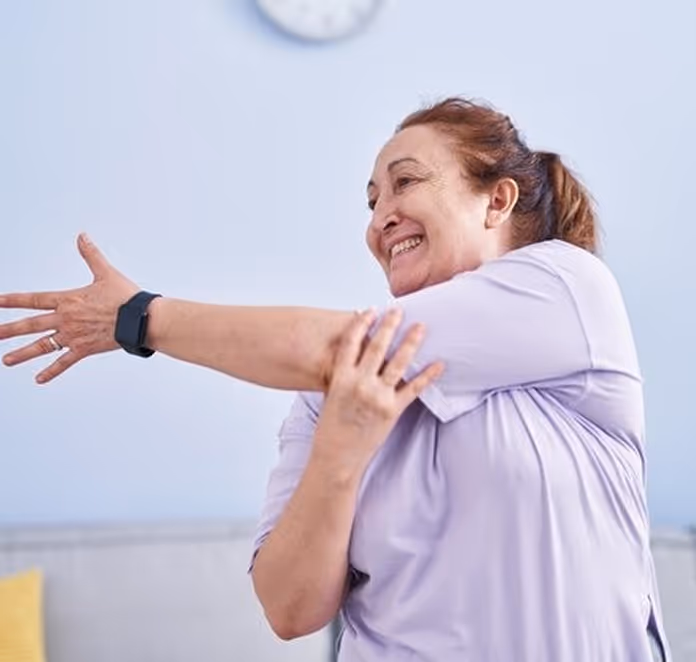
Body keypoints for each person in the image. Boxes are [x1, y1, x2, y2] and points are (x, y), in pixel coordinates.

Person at [0, 97, 670, 662]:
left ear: (497, 200)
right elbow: (289, 609)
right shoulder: (324, 387)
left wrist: (139, 317)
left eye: (406, 183)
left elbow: (340, 344)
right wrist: (341, 454)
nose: (381, 217)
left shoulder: (566, 289)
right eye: (372, 199)